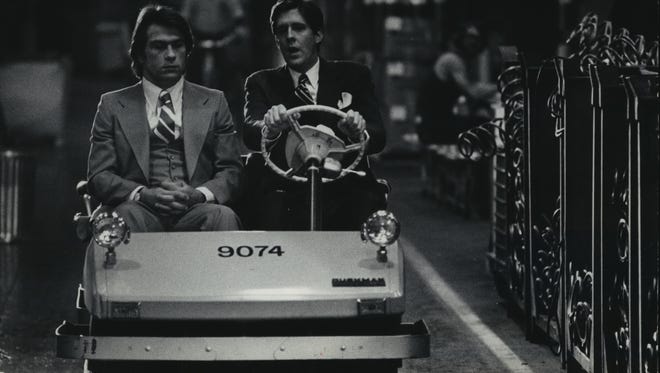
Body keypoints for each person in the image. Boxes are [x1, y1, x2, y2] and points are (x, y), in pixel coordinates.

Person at [87, 5, 243, 232]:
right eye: (159, 46)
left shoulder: (215, 102)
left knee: (223, 216)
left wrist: (198, 195)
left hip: (196, 209)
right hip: (138, 209)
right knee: (123, 217)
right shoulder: (112, 105)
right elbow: (99, 176)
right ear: (140, 54)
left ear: (187, 50)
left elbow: (232, 170)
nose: (170, 54)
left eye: (177, 45)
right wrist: (142, 194)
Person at [243, 0, 386, 231]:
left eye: (298, 28)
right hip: (285, 188)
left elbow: (378, 135)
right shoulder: (261, 82)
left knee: (365, 205)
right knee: (261, 204)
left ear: (318, 35)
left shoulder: (353, 75)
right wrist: (270, 128)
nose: (290, 36)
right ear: (276, 40)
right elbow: (251, 130)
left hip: (343, 183)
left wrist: (359, 134)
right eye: (282, 30)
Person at [416, 23, 496, 145]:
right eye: (470, 41)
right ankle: (481, 163)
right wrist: (500, 86)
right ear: (461, 40)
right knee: (484, 125)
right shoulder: (452, 60)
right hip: (434, 125)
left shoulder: (458, 60)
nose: (473, 45)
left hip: (435, 122)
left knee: (479, 121)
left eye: (476, 41)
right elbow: (472, 91)